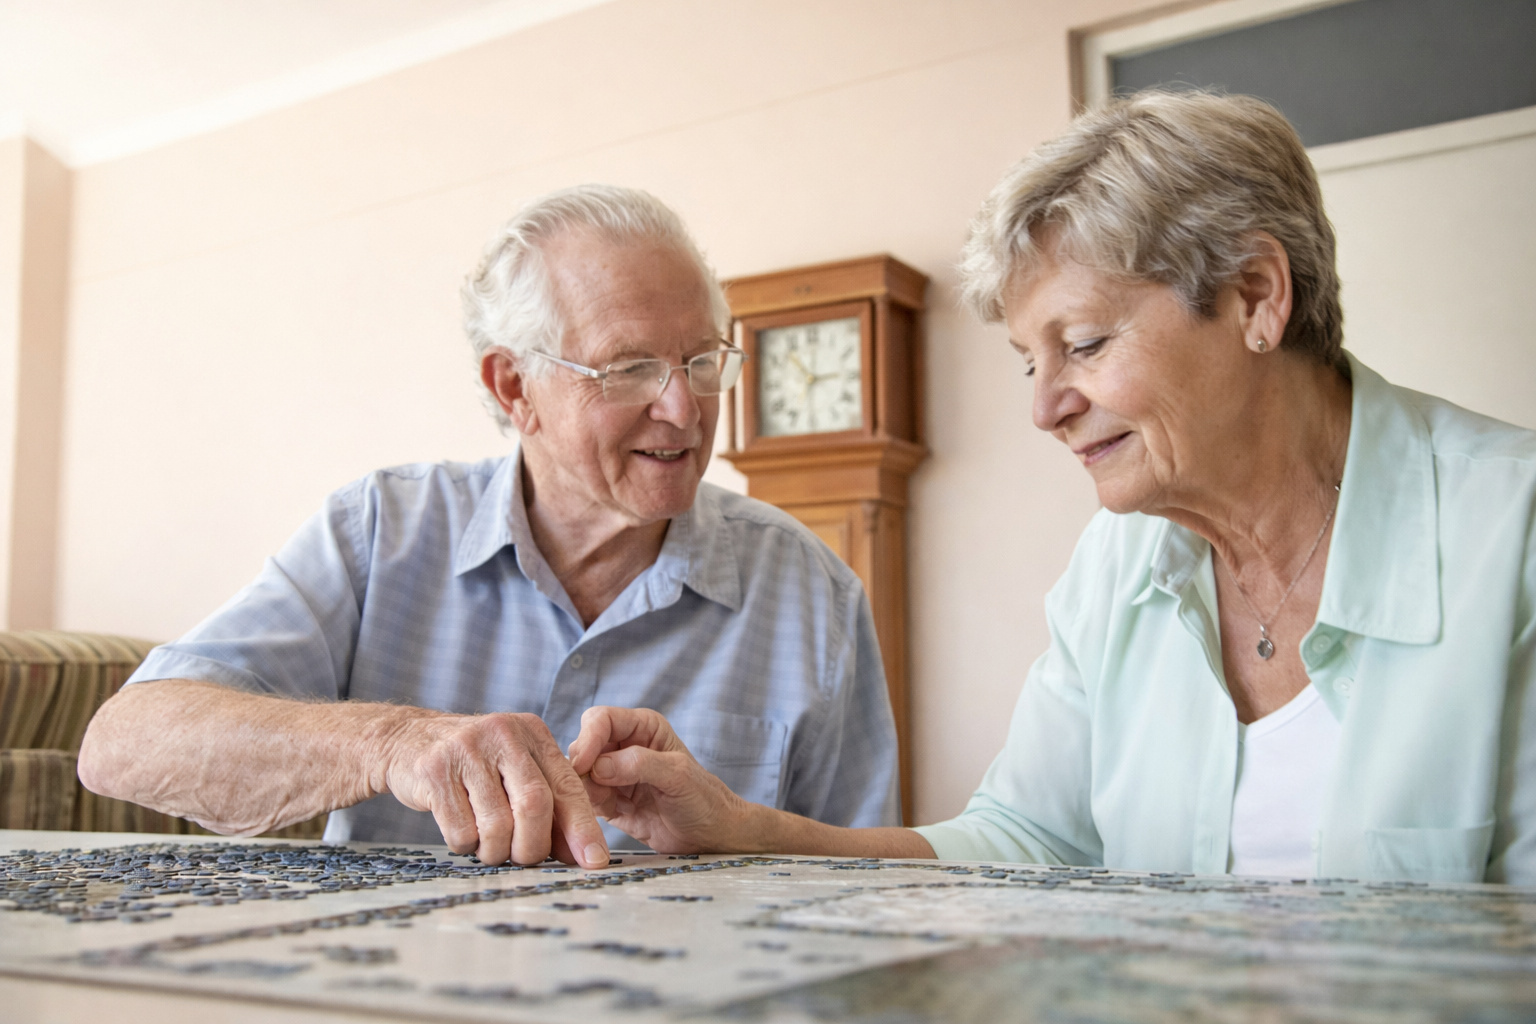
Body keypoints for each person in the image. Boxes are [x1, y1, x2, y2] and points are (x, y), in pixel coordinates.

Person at [564, 92, 1536, 884]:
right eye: (1031, 362)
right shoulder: (1117, 563)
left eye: (1083, 344)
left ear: (1255, 295)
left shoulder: (1514, 531)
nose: (1048, 408)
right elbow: (1027, 844)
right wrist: (741, 828)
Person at [78, 185, 900, 869]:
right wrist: (390, 743)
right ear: (514, 388)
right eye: (630, 368)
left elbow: (868, 881)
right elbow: (123, 743)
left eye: (700, 361)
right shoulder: (380, 531)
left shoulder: (813, 591)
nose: (684, 408)